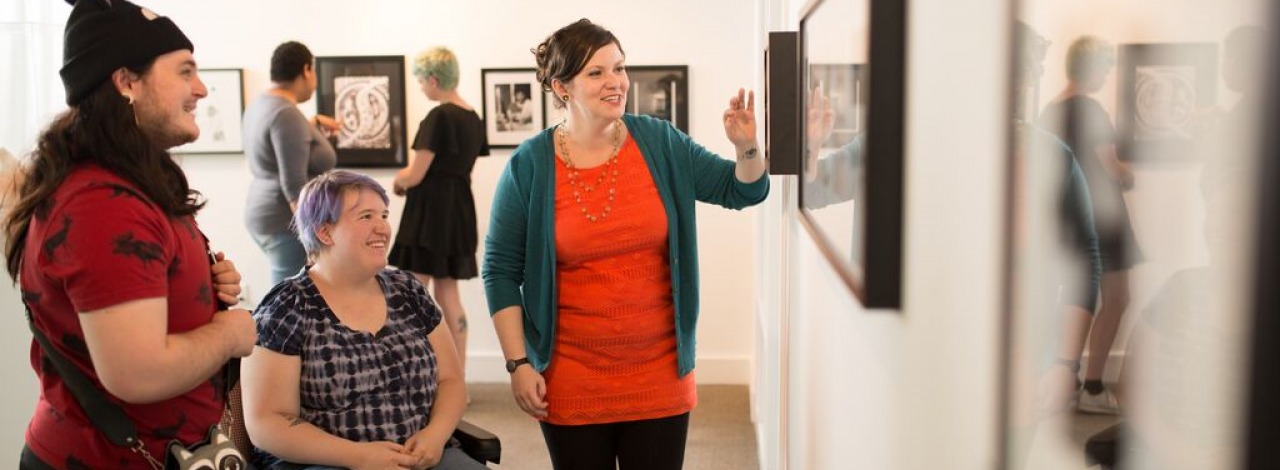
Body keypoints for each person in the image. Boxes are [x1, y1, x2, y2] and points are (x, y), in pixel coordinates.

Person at [482, 18, 769, 470]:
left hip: (659, 371)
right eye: (596, 73)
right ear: (562, 87)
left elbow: (742, 190)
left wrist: (747, 148)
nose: (615, 82)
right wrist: (518, 362)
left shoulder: (660, 141)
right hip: (570, 374)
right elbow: (499, 270)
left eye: (619, 68)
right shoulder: (529, 165)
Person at [3, 1, 257, 467]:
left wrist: (203, 288)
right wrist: (228, 334)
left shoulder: (125, 183)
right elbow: (137, 372)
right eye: (185, 72)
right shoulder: (100, 202)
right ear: (126, 83)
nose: (201, 88)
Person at [241, 170, 482, 470]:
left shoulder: (408, 290)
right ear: (325, 232)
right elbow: (267, 423)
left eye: (384, 214)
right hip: (326, 463)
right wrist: (358, 457)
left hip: (422, 456)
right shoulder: (287, 307)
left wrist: (435, 435)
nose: (383, 227)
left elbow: (451, 380)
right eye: (366, 216)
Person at [1038, 35, 1142, 414]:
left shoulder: (1049, 111)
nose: (1107, 74)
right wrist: (1131, 173)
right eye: (1106, 67)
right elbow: (1112, 168)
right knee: (1117, 298)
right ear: (1093, 66)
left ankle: (1068, 375)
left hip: (1065, 221)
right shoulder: (1091, 110)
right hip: (1102, 216)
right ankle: (1093, 387)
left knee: (1071, 297)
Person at [390, 46, 490, 383]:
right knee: (449, 295)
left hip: (429, 213)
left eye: (421, 81)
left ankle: (417, 377)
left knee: (415, 291)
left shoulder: (439, 116)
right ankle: (456, 380)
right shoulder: (473, 118)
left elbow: (415, 174)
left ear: (433, 79)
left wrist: (398, 182)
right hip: (459, 211)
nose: (421, 87)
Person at [244, 41, 340, 285]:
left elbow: (281, 150)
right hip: (283, 220)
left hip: (263, 211)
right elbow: (295, 185)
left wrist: (313, 123)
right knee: (287, 296)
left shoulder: (261, 105)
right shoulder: (286, 114)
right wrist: (314, 238)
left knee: (290, 291)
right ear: (306, 70)